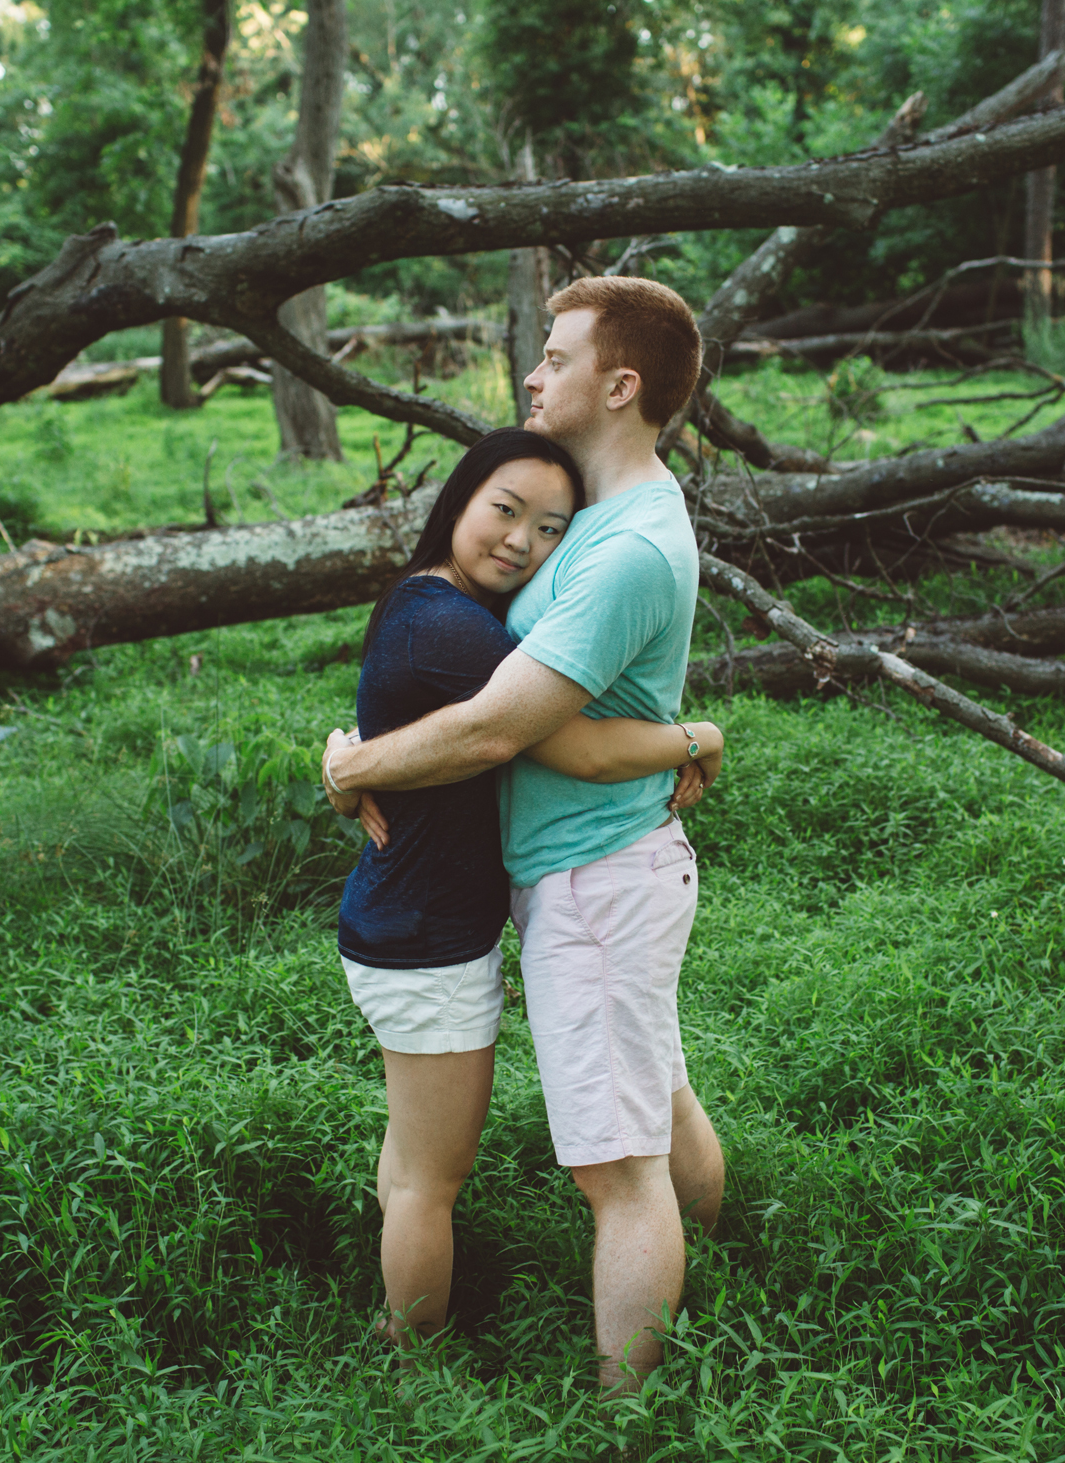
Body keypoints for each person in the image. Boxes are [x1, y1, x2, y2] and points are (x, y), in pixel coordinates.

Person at [323, 277, 721, 1391]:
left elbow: (508, 723)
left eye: (554, 358)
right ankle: (725, 1249)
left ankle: (624, 1407)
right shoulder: (594, 515)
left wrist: (353, 762)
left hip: (594, 879)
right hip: (590, 869)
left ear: (620, 383)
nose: (535, 377)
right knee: (658, 1085)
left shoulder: (623, 547)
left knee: (616, 1170)